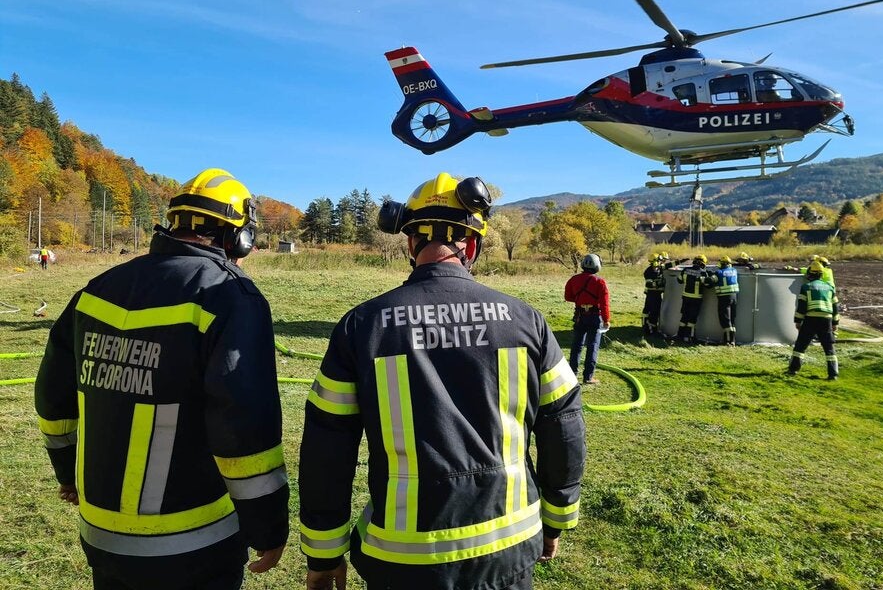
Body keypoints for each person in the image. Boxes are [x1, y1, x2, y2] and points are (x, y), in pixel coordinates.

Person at [299, 172, 586, 590]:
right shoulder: (527, 322)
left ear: (411, 243)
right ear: (472, 245)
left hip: (403, 558)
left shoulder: (361, 327)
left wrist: (323, 555)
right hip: (508, 546)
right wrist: (557, 519)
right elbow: (564, 427)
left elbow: (327, 448)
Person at [34, 168, 289, 590]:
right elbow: (243, 428)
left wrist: (66, 472)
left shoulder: (97, 289)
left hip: (101, 533)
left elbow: (52, 398)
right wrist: (267, 524)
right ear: (238, 237)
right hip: (195, 540)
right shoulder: (228, 295)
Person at [787, 261, 841, 380]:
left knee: (801, 345)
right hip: (826, 320)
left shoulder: (806, 287)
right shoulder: (829, 287)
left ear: (809, 274)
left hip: (811, 319)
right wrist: (835, 323)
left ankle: (793, 370)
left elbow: (802, 306)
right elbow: (835, 307)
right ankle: (833, 374)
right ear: (821, 274)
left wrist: (798, 321)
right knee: (829, 347)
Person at [564, 252, 611, 384]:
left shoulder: (573, 279)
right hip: (594, 316)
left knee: (577, 345)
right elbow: (604, 303)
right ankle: (588, 377)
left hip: (579, 316)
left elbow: (568, 297)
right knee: (592, 346)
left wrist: (580, 300)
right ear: (597, 265)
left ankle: (572, 375)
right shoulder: (600, 282)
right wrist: (606, 320)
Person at [641, 252, 683, 336]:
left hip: (656, 294)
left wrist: (681, 261)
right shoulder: (648, 271)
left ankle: (649, 327)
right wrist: (658, 284)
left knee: (652, 311)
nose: (661, 262)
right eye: (659, 261)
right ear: (655, 261)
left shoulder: (659, 268)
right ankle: (650, 328)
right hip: (652, 294)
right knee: (653, 311)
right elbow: (648, 284)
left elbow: (669, 265)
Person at [676, 255, 711, 344]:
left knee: (684, 317)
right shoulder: (702, 272)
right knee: (692, 319)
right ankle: (689, 337)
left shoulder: (685, 270)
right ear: (703, 263)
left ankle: (679, 336)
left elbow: (679, 280)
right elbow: (708, 285)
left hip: (685, 297)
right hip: (696, 299)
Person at [712, 256, 739, 346]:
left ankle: (728, 341)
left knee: (725, 319)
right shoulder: (734, 271)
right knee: (732, 318)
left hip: (724, 297)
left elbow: (711, 280)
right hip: (734, 297)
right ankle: (733, 340)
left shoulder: (719, 272)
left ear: (723, 263)